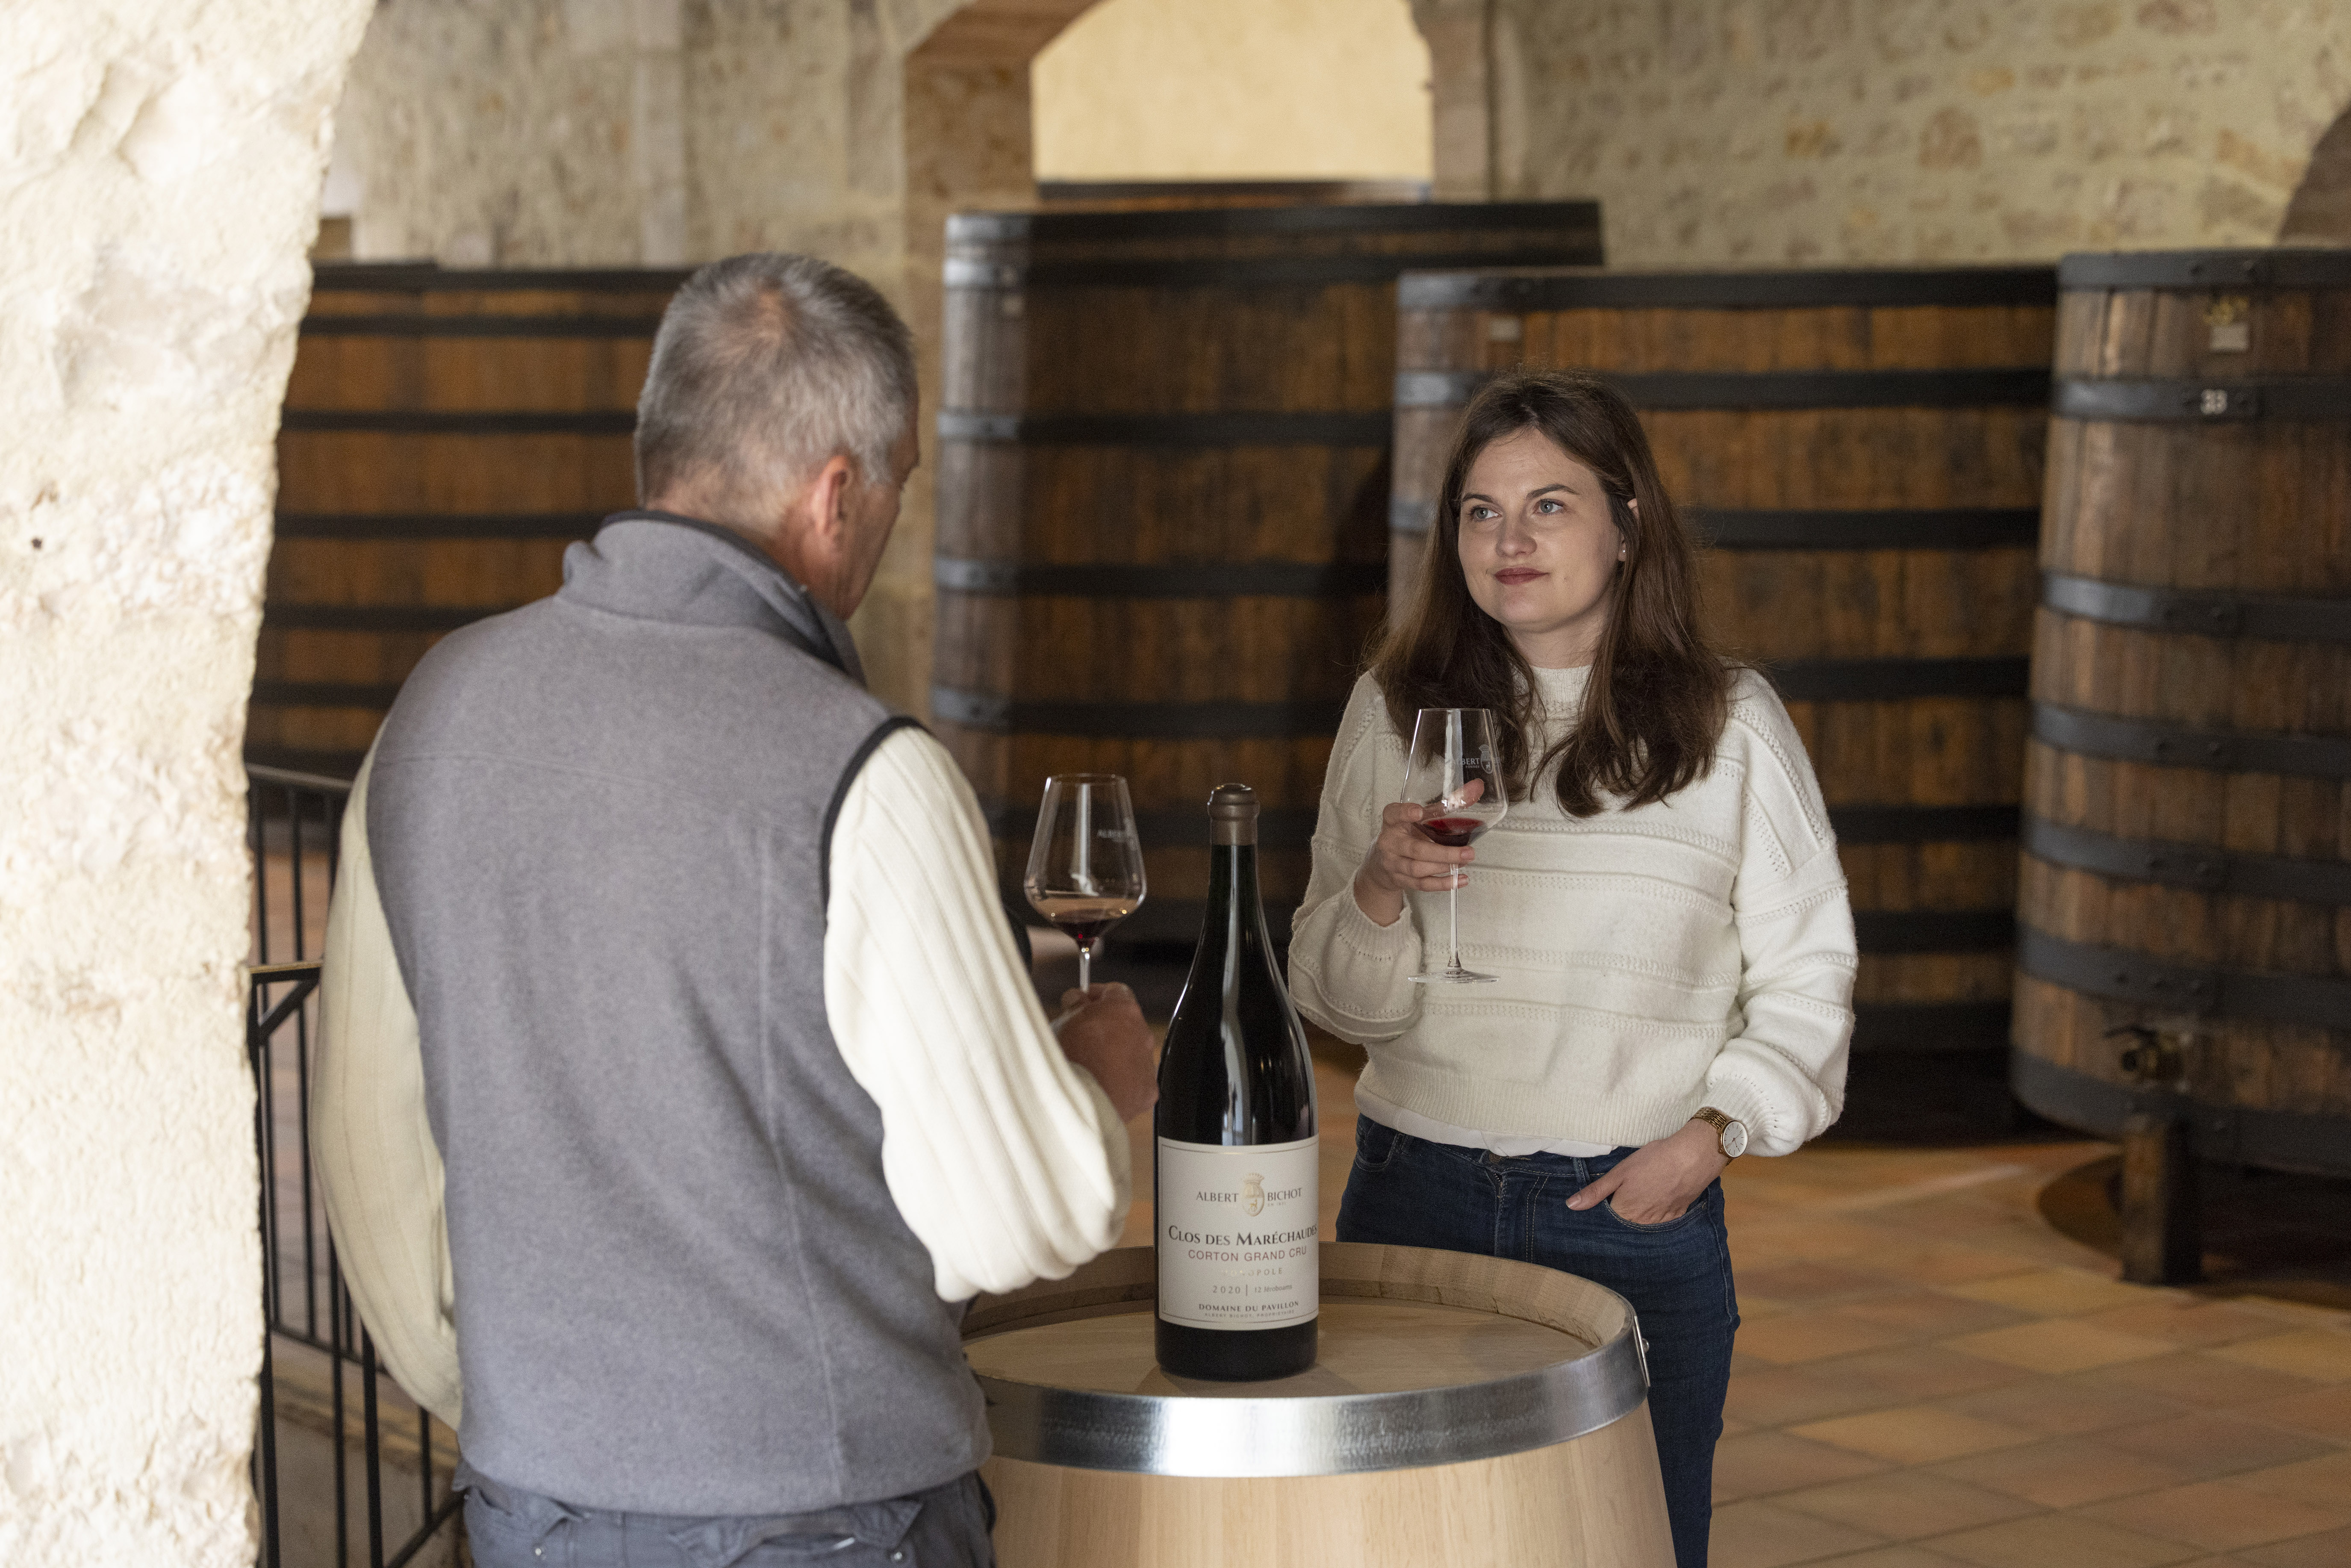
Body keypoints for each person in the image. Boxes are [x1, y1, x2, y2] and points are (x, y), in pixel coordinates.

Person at [309, 253, 1158, 1568]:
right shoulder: (861, 767)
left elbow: (372, 1151)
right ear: (834, 492)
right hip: (822, 1524)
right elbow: (1020, 1211)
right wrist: (1097, 1082)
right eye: (897, 488)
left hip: (529, 1508)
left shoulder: (431, 713)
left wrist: (529, 1420)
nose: (885, 529)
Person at [1287, 370, 1856, 1568]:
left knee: (1627, 1546)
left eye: (1548, 505)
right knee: (1405, 1547)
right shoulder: (1394, 709)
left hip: (1628, 1213)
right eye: (1480, 511)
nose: (1507, 540)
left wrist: (1713, 1133)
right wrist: (1382, 884)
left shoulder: (1727, 723)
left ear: (1626, 522)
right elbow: (1333, 997)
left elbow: (1809, 976)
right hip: (1415, 1199)